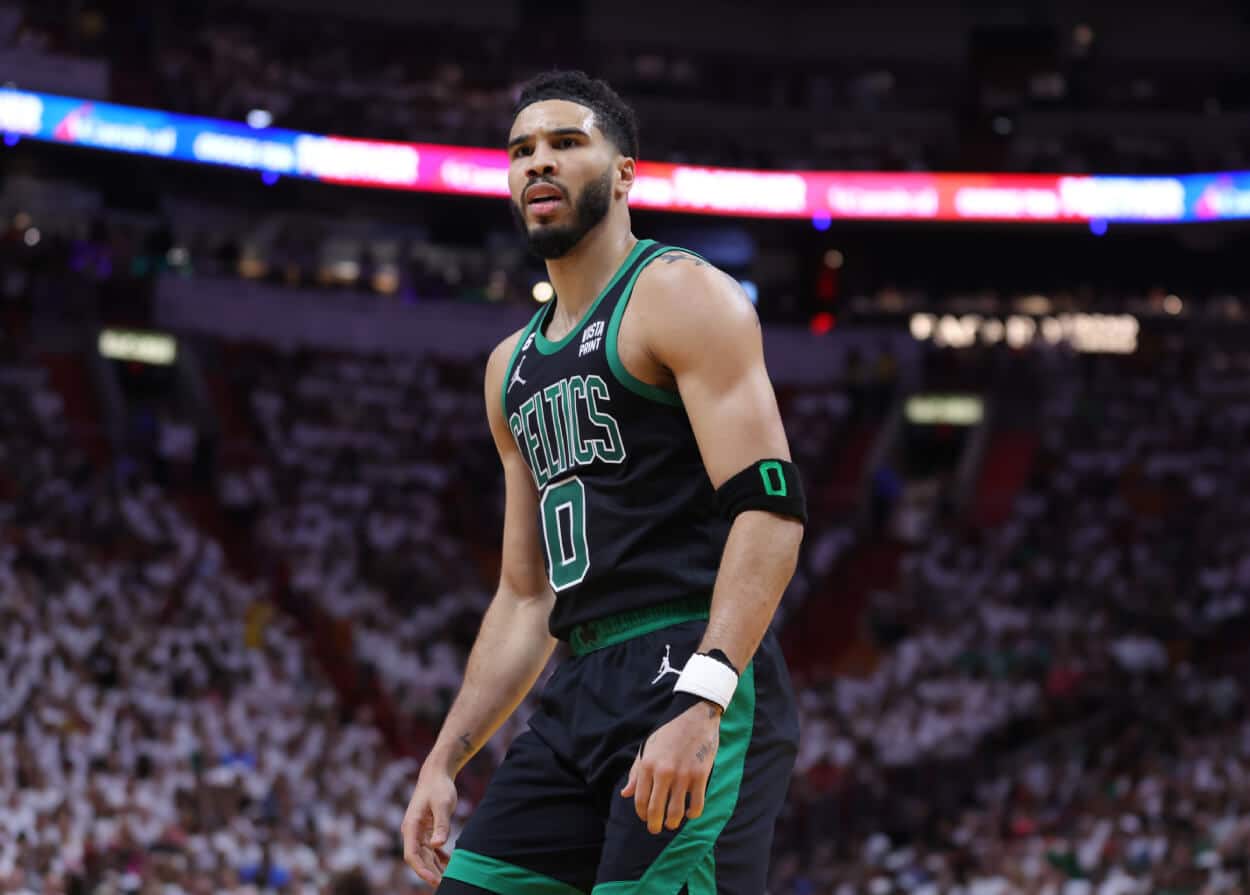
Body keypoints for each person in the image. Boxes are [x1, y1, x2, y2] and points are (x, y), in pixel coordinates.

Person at [401, 70, 805, 895]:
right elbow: (525, 595)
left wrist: (704, 699)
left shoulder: (680, 295)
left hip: (689, 659)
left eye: (565, 143)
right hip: (578, 682)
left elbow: (772, 512)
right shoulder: (508, 368)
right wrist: (446, 756)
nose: (537, 163)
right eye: (521, 151)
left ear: (624, 173)